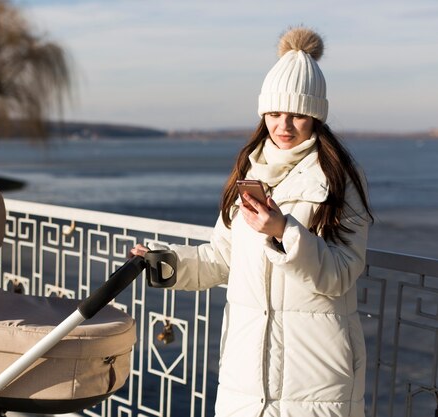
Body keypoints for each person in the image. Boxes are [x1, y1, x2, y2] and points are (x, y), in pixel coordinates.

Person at [131, 26, 373, 417]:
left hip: (313, 380)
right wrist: (166, 262)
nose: (284, 126)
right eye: (275, 113)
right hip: (245, 374)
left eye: (298, 115)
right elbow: (223, 259)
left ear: (316, 116)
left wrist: (284, 232)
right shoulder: (250, 170)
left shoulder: (339, 177)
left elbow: (343, 273)